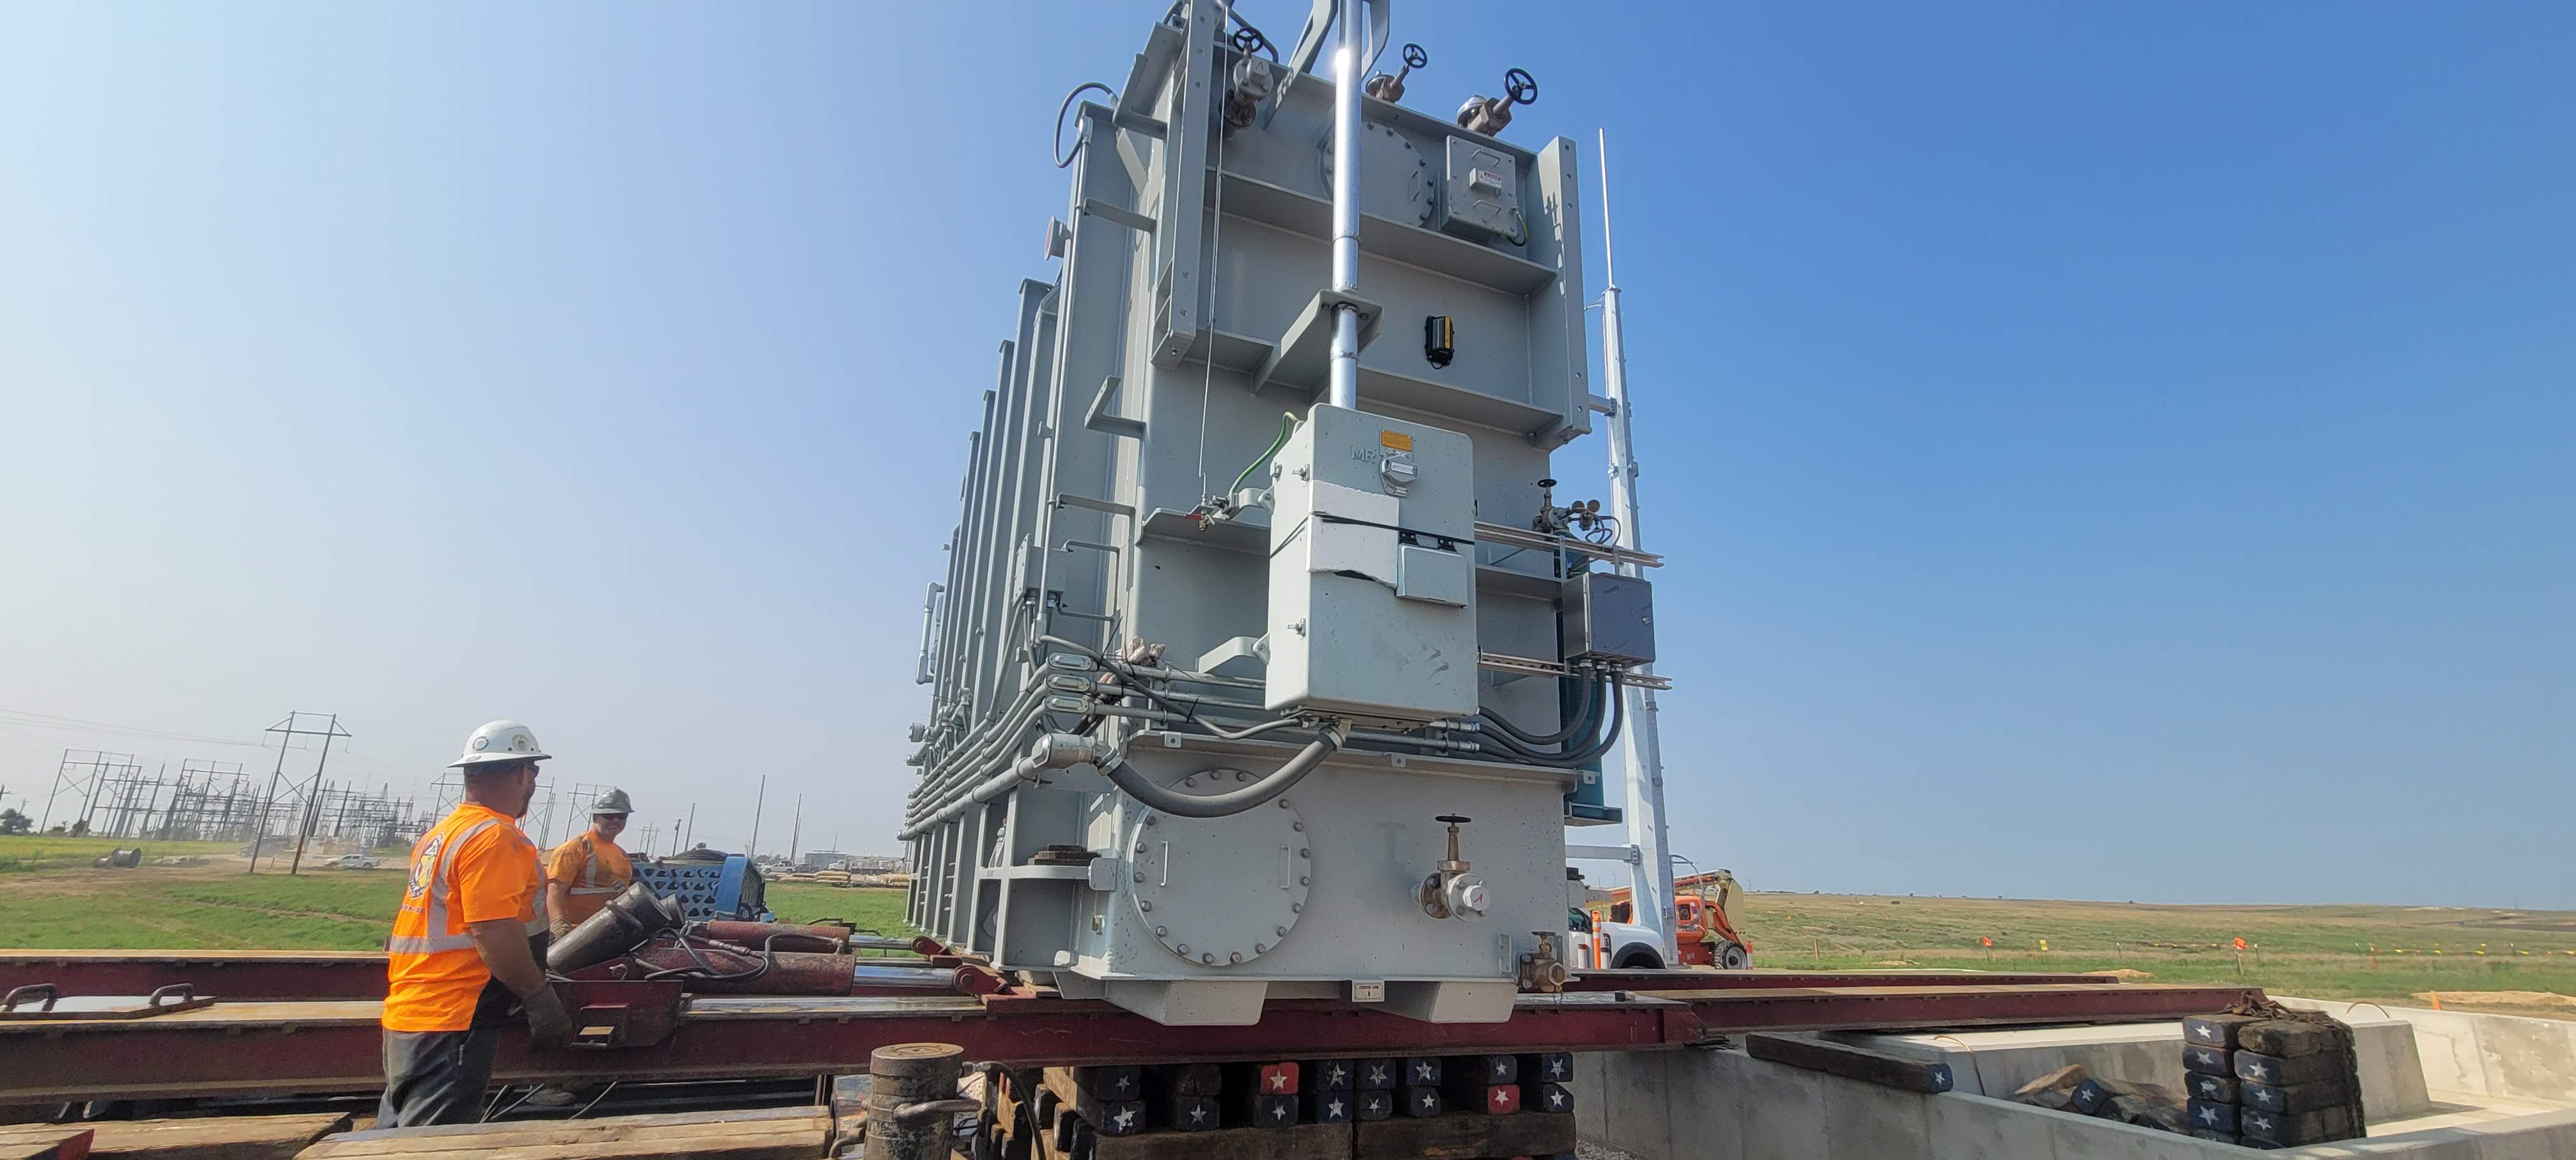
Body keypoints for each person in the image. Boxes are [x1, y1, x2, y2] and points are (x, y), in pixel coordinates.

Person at [378, 720, 574, 1127]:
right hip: (457, 1013)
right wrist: (538, 996)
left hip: (412, 1010)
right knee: (434, 1148)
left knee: (396, 1138)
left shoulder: (443, 834)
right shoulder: (497, 838)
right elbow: (492, 929)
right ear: (523, 774)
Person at [546, 788, 636, 938]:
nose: (616, 820)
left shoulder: (622, 856)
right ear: (596, 817)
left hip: (608, 933)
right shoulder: (576, 848)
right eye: (609, 815)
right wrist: (558, 924)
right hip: (575, 934)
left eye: (621, 816)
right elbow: (554, 891)